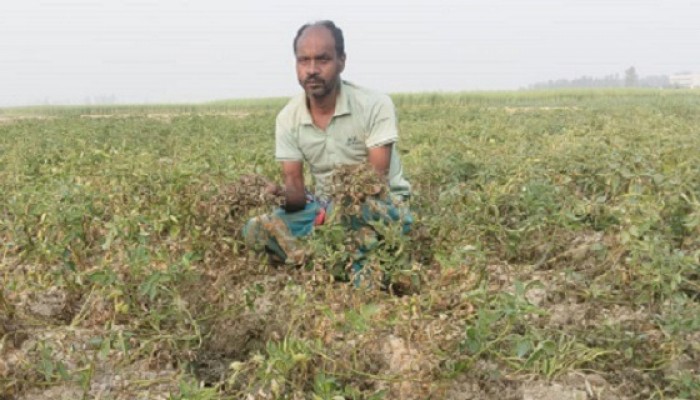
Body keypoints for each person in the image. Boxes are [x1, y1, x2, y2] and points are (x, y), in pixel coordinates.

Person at [243, 20, 412, 269]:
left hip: (380, 206)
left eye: (322, 60)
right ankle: (339, 255)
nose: (312, 70)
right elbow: (297, 195)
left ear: (341, 61)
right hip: (322, 211)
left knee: (357, 216)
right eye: (304, 60)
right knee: (255, 229)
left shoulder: (374, 105)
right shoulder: (288, 119)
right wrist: (278, 193)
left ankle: (330, 260)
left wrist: (332, 214)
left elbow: (375, 184)